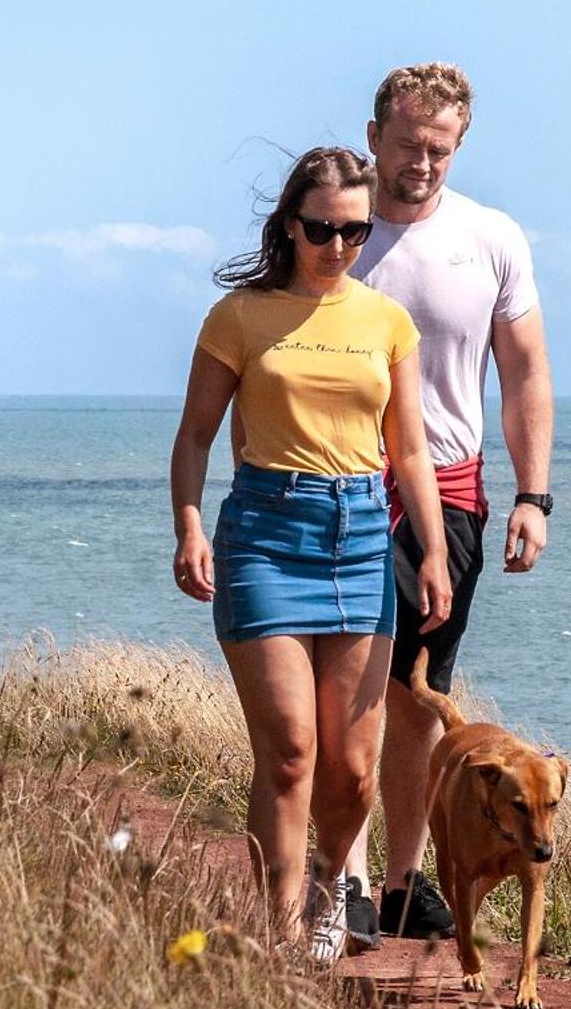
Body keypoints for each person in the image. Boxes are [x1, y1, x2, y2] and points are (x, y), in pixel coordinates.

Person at [170, 146, 452, 962]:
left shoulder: (385, 321)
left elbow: (409, 454)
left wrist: (430, 552)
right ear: (290, 224)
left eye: (355, 231)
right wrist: (190, 526)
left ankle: (337, 886)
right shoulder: (240, 317)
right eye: (322, 229)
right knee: (291, 748)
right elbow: (193, 437)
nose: (337, 246)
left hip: (362, 539)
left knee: (353, 769)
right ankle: (282, 931)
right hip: (264, 533)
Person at [340, 62, 554, 948]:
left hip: (453, 496)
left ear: (458, 144)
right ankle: (342, 881)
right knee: (346, 696)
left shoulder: (492, 237)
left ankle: (399, 882)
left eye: (439, 147)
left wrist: (532, 495)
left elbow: (526, 373)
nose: (421, 162)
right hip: (344, 486)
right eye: (406, 143)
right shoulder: (337, 228)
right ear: (374, 136)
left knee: (417, 697)